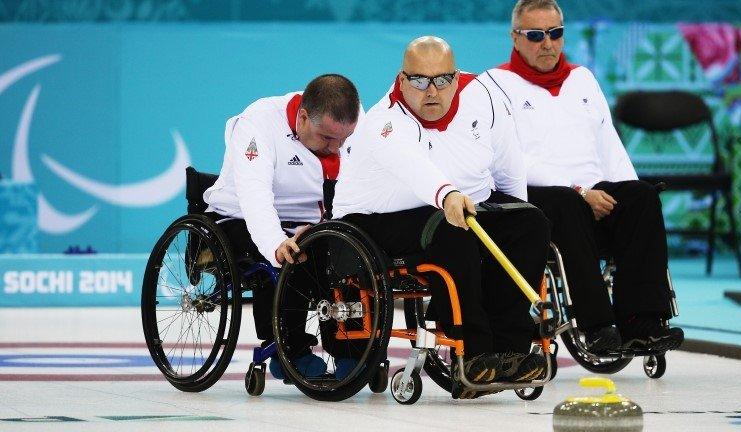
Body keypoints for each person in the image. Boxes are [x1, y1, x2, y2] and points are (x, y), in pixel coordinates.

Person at [334, 36, 550, 399]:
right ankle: (476, 352)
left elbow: (509, 164)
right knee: (453, 231)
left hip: (457, 207)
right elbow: (414, 167)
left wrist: (516, 211)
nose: (431, 91)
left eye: (441, 79)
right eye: (419, 80)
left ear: (455, 76)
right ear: (402, 80)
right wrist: (446, 195)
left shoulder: (483, 96)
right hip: (375, 220)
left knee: (530, 223)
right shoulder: (384, 122)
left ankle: (511, 348)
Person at [479, 0, 683, 353]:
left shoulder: (582, 79)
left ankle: (641, 321)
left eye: (555, 33)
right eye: (536, 35)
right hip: (537, 195)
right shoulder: (494, 85)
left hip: (592, 194)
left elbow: (610, 146)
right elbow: (507, 160)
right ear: (515, 38)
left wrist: (629, 191)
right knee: (566, 202)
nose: (548, 43)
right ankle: (597, 324)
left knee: (642, 196)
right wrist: (580, 190)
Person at [203, 74, 362, 378]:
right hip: (238, 218)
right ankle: (288, 351)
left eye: (343, 140)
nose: (336, 148)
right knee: (294, 255)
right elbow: (255, 196)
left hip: (316, 221)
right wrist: (277, 243)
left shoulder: (349, 120)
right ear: (303, 117)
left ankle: (350, 347)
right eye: (328, 139)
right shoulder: (258, 124)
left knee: (350, 252)